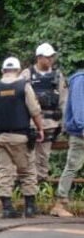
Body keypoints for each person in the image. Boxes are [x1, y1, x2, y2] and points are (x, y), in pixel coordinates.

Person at [0, 56, 44, 218]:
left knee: (5, 172)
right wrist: (40, 129)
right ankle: (29, 208)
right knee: (28, 171)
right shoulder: (24, 87)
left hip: (0, 138)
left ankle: (7, 208)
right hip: (21, 137)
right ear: (18, 71)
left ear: (2, 71)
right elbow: (35, 111)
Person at [19, 43, 67, 182]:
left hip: (50, 123)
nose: (51, 59)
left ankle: (40, 187)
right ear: (39, 58)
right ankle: (29, 189)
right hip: (30, 124)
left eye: (52, 56)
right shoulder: (27, 74)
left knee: (44, 158)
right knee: (29, 157)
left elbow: (64, 100)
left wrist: (64, 126)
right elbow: (19, 98)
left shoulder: (57, 75)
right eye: (48, 57)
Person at [50, 66, 84, 218]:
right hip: (80, 133)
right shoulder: (80, 79)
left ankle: (60, 203)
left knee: (72, 167)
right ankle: (60, 204)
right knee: (72, 167)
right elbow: (79, 108)